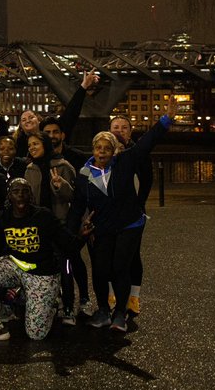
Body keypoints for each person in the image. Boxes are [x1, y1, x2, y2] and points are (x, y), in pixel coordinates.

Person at [68, 116, 170, 331]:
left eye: (107, 148)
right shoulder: (84, 175)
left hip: (129, 225)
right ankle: (103, 309)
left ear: (115, 150)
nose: (102, 152)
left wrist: (165, 119)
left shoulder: (125, 163)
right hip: (102, 227)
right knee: (100, 269)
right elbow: (77, 206)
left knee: (120, 267)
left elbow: (148, 142)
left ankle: (120, 313)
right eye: (98, 148)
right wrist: (72, 231)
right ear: (93, 150)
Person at [0, 177, 64, 342]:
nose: (20, 195)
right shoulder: (2, 218)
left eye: (24, 191)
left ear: (30, 195)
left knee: (36, 335)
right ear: (9, 196)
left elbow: (67, 244)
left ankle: (51, 304)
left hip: (42, 273)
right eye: (15, 191)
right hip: (16, 266)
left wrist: (83, 236)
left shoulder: (43, 215)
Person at [22, 131, 82, 323]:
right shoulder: (29, 169)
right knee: (43, 267)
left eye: (35, 144)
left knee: (65, 266)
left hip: (60, 225)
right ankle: (49, 304)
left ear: (45, 144)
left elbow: (74, 197)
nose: (32, 147)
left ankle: (69, 307)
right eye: (29, 145)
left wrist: (60, 185)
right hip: (38, 227)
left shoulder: (63, 166)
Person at [108, 115, 154, 317]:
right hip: (108, 215)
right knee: (108, 255)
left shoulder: (138, 153)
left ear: (130, 131)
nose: (119, 130)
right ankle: (111, 296)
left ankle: (133, 298)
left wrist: (139, 205)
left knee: (133, 255)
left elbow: (147, 181)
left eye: (124, 127)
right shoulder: (103, 152)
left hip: (133, 214)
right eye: (115, 127)